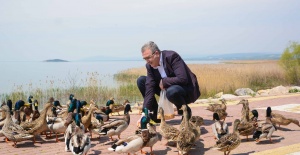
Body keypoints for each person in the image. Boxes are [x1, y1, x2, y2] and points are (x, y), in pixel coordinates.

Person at [137, 41, 200, 123]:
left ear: (156, 53)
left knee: (171, 91)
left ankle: (185, 111)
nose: (147, 61)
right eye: (145, 59)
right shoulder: (149, 66)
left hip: (185, 90)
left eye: (148, 57)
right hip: (167, 91)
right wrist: (144, 112)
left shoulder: (172, 56)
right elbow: (149, 87)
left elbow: (183, 79)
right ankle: (156, 114)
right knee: (141, 81)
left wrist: (164, 81)